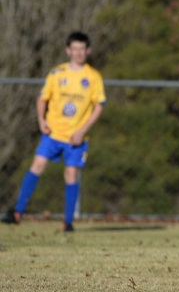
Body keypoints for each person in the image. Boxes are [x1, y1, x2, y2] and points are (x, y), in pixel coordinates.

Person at [3, 31, 106, 232]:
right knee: (38, 164)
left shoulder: (93, 77)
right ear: (68, 50)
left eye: (82, 49)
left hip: (76, 137)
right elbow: (42, 98)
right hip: (53, 133)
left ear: (88, 51)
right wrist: (41, 120)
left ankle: (68, 222)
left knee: (71, 173)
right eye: (74, 49)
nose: (78, 53)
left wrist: (82, 130)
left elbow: (99, 106)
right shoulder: (57, 73)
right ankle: (17, 213)